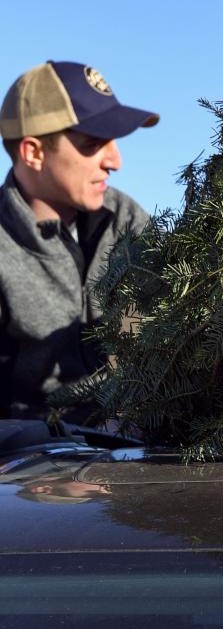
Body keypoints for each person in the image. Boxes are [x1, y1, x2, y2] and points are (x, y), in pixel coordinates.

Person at [0, 60, 159, 423]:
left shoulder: (126, 220)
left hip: (133, 447)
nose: (115, 161)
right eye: (93, 144)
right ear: (34, 153)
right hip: (25, 464)